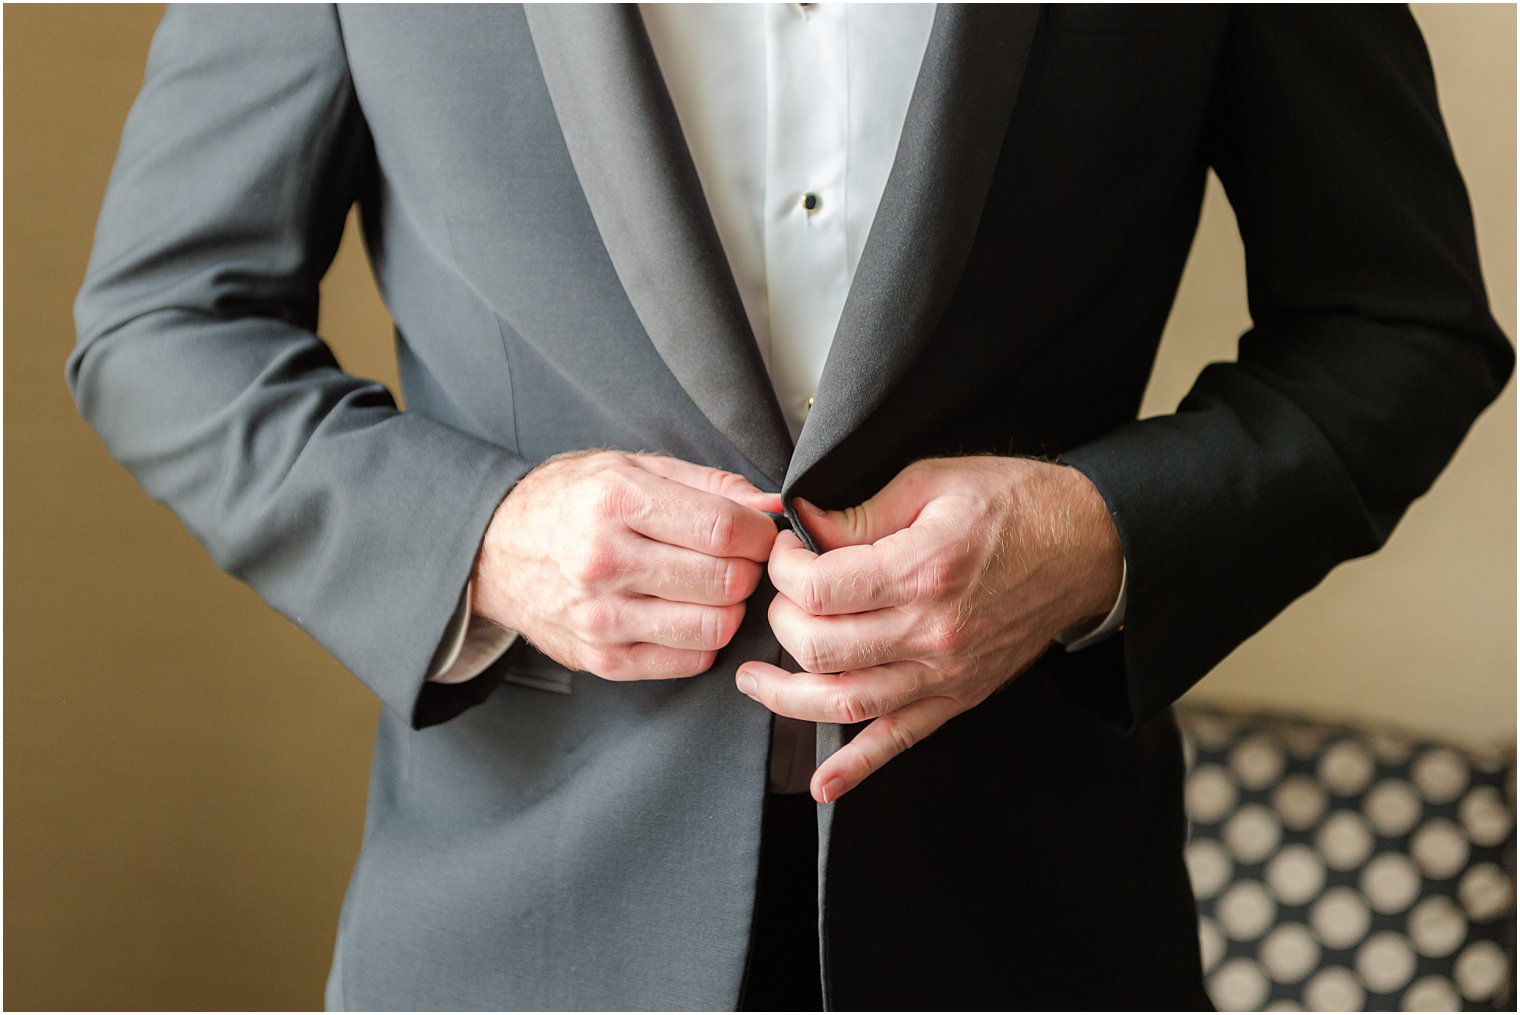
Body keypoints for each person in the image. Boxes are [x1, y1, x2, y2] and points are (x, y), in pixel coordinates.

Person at [68, 4, 1510, 1010]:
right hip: (514, 943)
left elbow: (1402, 323)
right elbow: (161, 321)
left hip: (1032, 934)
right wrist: (483, 539)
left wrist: (1091, 537)